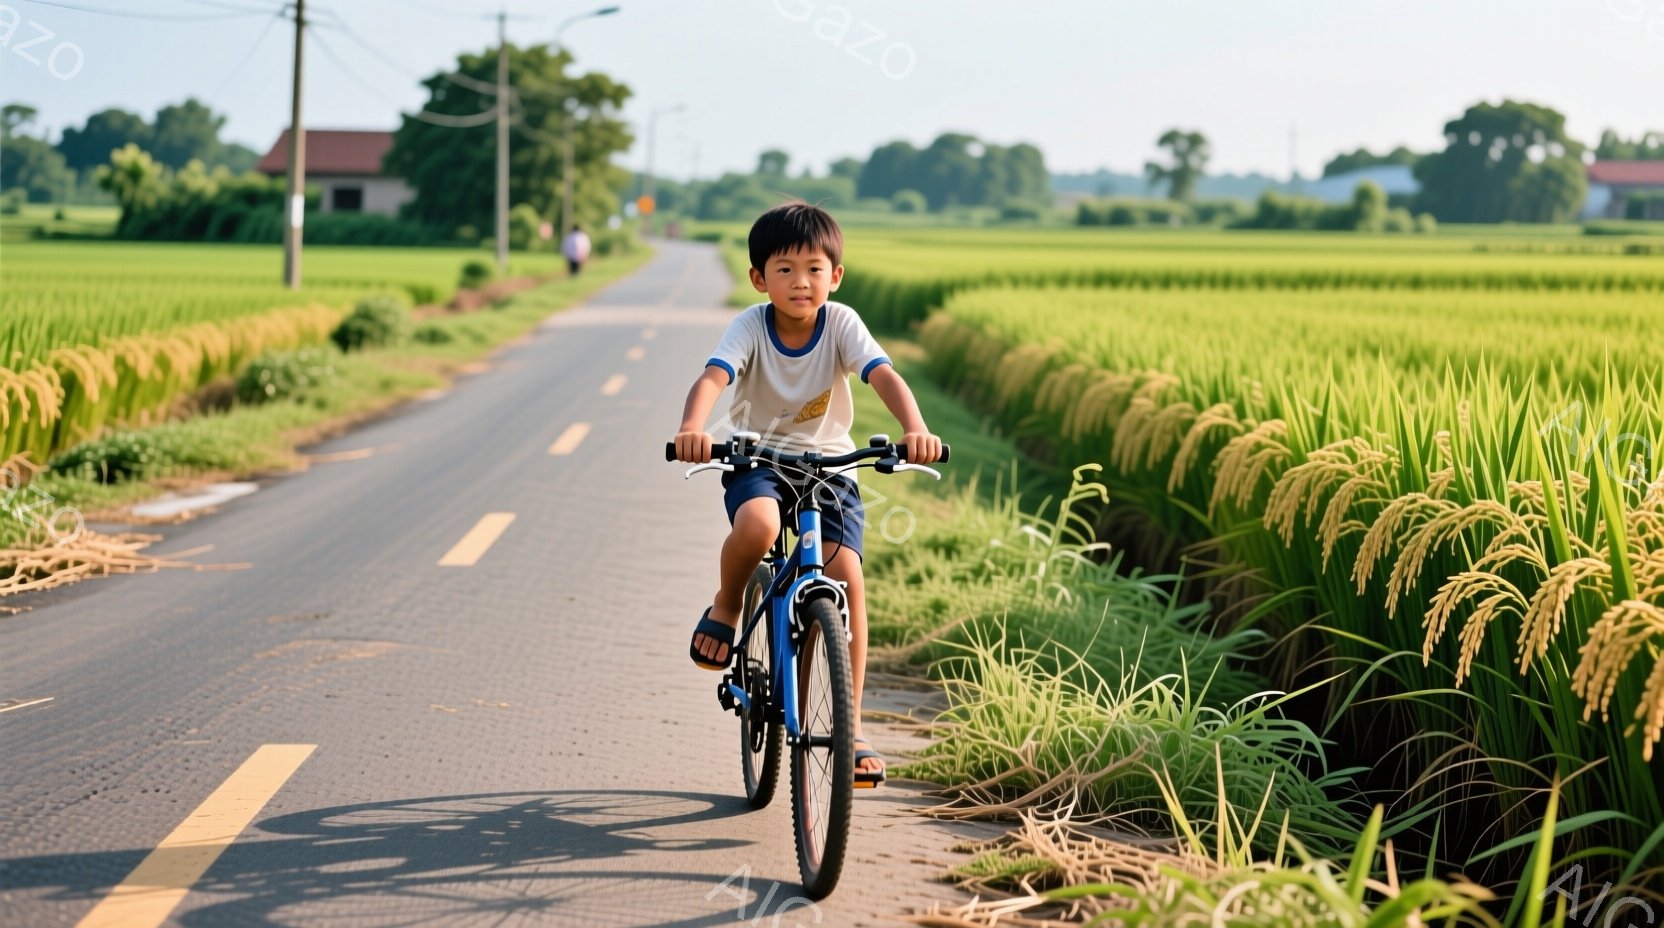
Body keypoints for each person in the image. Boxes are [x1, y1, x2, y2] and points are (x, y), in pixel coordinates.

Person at [669, 202, 943, 786]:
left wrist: (914, 430)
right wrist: (694, 428)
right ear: (759, 278)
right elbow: (714, 376)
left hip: (829, 464)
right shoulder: (749, 325)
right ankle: (726, 603)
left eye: (815, 269)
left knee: (847, 574)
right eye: (785, 269)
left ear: (835, 277)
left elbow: (883, 375)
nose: (801, 281)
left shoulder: (841, 323)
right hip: (757, 458)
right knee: (760, 529)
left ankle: (854, 724)